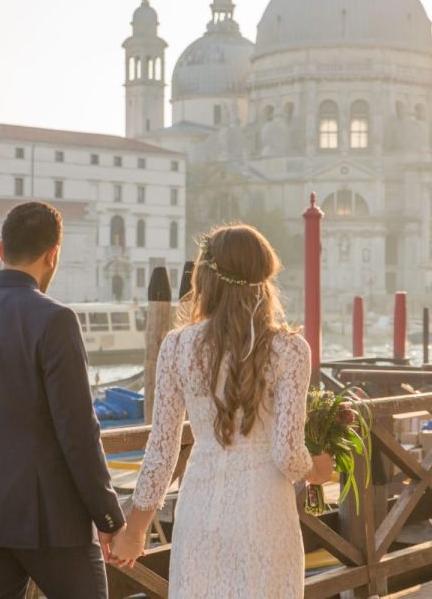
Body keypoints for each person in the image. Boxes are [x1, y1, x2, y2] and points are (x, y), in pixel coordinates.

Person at [110, 224, 335, 598]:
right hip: (263, 509)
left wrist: (134, 531)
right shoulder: (291, 350)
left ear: (205, 278)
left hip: (200, 505)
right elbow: (286, 454)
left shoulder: (177, 346)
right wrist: (316, 470)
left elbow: (162, 452)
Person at [0, 201, 124, 599]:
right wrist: (108, 515)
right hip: (51, 519)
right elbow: (78, 431)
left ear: (0, 251)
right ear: (53, 254)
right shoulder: (56, 318)